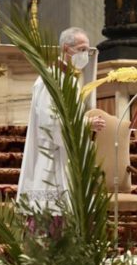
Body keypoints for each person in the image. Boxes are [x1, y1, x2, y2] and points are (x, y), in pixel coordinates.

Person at [17, 27, 106, 211]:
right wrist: (85, 124)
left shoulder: (69, 79)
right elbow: (49, 123)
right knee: (51, 217)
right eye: (82, 49)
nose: (85, 55)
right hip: (51, 157)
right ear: (66, 49)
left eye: (87, 50)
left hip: (65, 157)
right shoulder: (51, 80)